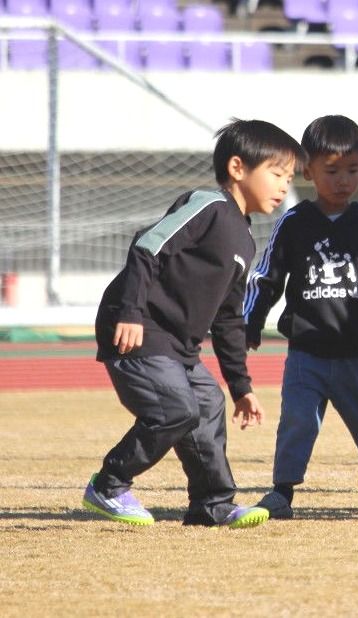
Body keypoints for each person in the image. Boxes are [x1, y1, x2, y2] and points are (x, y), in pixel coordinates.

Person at [82, 118, 304, 528]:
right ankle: (109, 484)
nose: (283, 186)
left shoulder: (245, 239)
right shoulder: (208, 206)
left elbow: (228, 319)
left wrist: (241, 387)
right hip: (139, 328)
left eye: (289, 178)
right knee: (175, 409)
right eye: (276, 173)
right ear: (238, 168)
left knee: (207, 403)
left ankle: (212, 505)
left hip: (178, 347)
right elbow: (147, 247)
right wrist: (131, 312)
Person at [244, 115, 358, 520]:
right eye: (332, 171)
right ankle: (282, 492)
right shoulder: (294, 224)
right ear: (308, 171)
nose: (344, 180)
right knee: (297, 422)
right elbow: (266, 276)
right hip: (307, 354)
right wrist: (250, 322)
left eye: (353, 170)